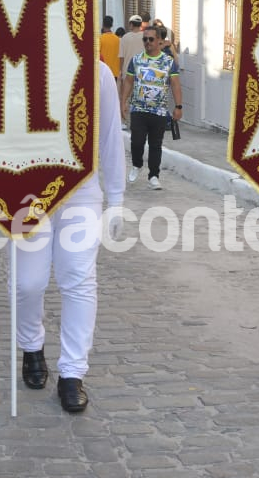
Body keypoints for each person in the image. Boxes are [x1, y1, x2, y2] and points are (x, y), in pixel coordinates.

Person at [13, 60, 126, 413]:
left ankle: (73, 372)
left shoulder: (98, 71)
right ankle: (31, 345)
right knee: (28, 283)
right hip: (27, 187)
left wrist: (116, 197)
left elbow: (109, 133)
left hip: (81, 189)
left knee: (78, 278)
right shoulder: (17, 65)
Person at [119, 25, 182, 191]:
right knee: (137, 141)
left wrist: (178, 106)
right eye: (145, 39)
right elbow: (129, 81)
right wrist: (123, 102)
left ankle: (154, 176)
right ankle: (137, 165)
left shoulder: (168, 62)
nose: (147, 42)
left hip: (159, 111)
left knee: (155, 144)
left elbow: (175, 84)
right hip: (138, 109)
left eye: (151, 39)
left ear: (159, 40)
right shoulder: (136, 60)